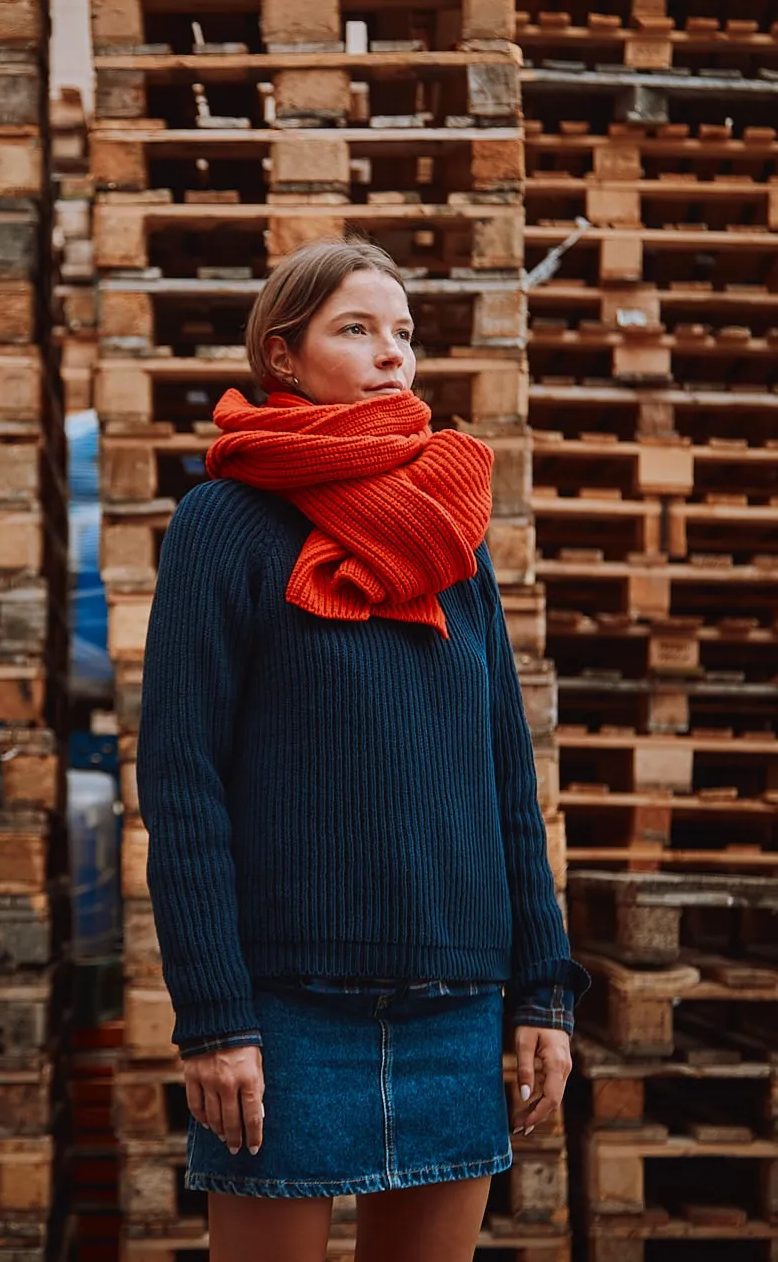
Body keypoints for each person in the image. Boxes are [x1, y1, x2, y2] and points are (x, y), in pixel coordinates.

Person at [136, 239, 590, 1262]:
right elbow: (182, 782)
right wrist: (213, 1017)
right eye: (357, 329)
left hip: (457, 1003)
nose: (393, 355)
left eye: (404, 333)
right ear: (282, 358)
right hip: (286, 1013)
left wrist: (543, 993)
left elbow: (506, 782)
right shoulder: (225, 522)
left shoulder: (450, 530)